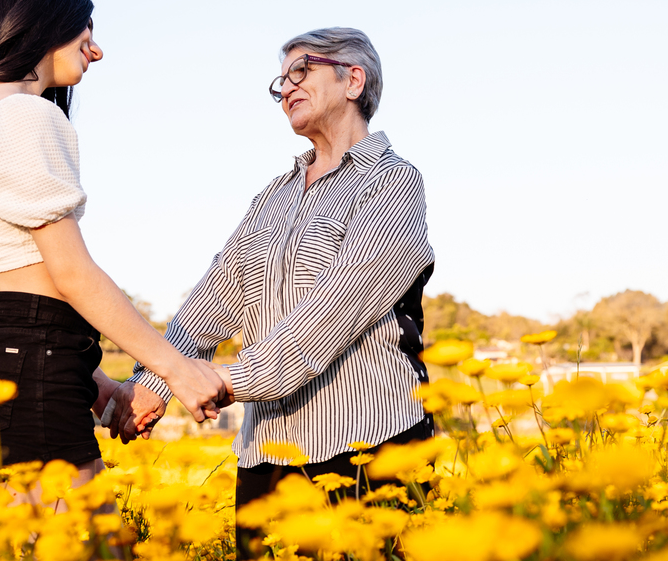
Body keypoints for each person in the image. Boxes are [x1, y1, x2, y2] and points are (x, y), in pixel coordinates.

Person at [102, 28, 435, 534]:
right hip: (267, 455)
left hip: (373, 448)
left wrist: (212, 382)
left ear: (354, 80)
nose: (287, 89)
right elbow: (209, 303)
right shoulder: (272, 195)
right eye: (281, 82)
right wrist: (152, 384)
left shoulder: (393, 182)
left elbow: (326, 320)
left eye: (301, 71)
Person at [0, 0, 225, 500]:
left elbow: (23, 298)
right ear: (43, 27)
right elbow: (70, 274)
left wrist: (101, 390)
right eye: (85, 30)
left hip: (10, 374)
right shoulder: (24, 114)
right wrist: (176, 368)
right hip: (31, 387)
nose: (97, 50)